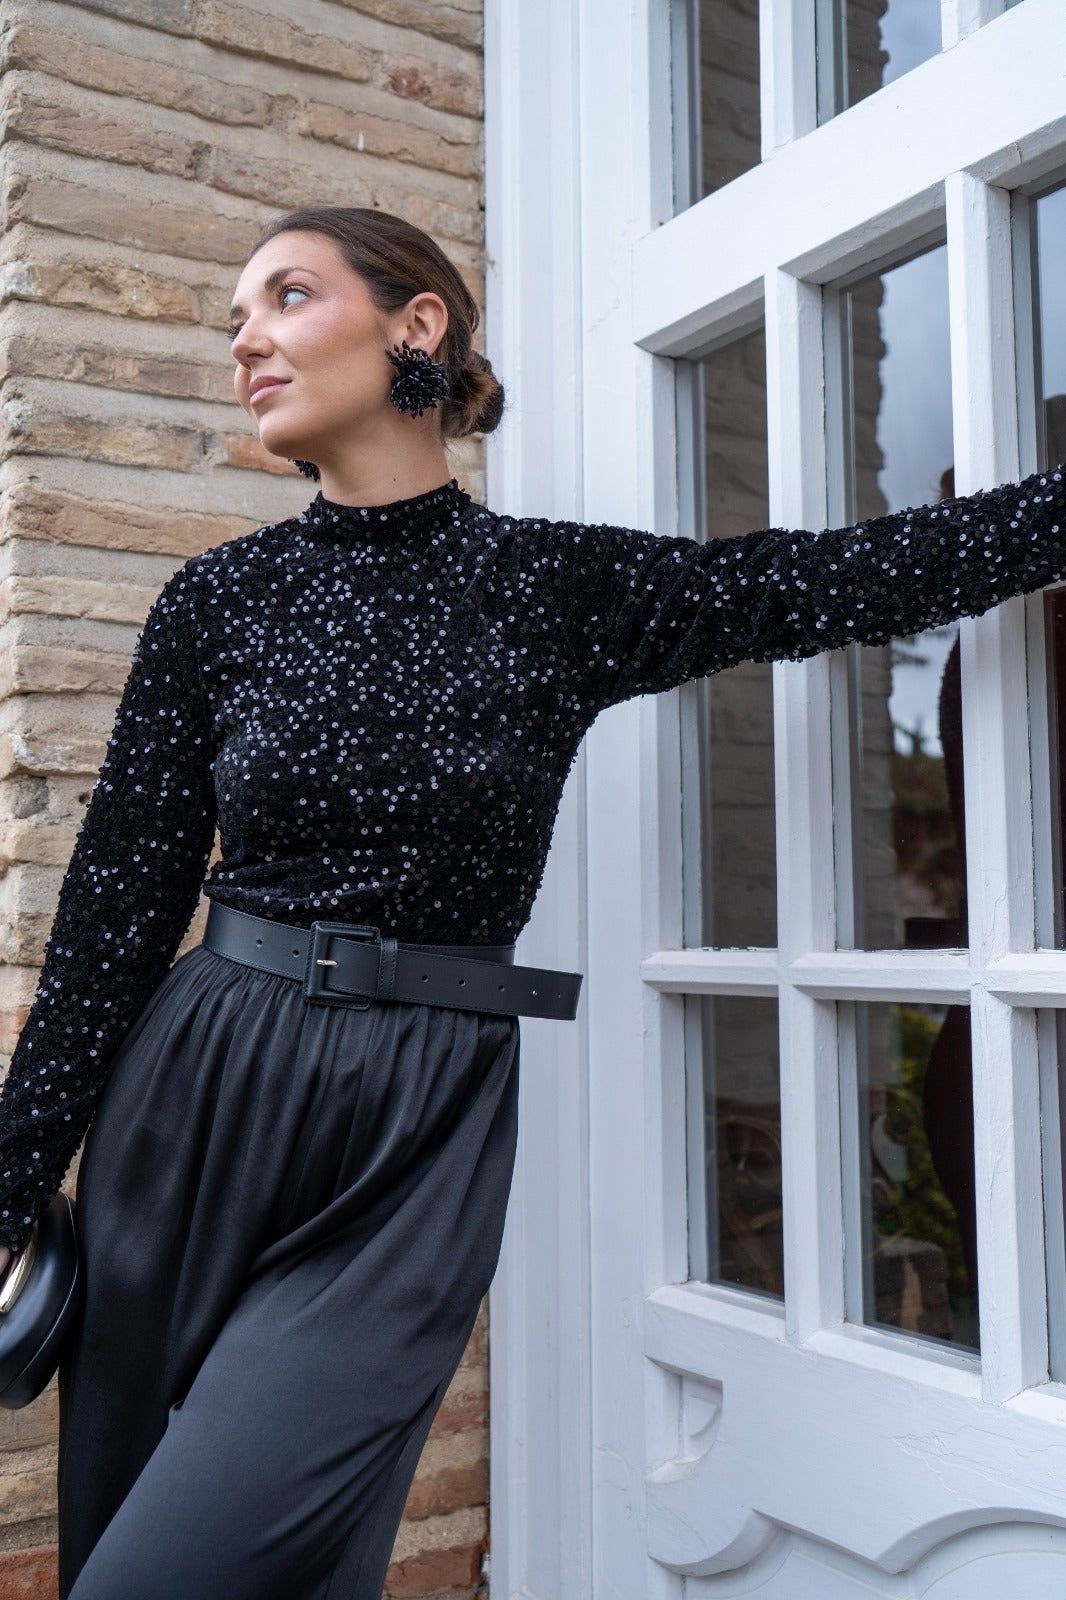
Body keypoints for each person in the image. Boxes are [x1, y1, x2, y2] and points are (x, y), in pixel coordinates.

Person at [0, 204, 1062, 1599]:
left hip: (416, 1121)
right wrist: (13, 1176)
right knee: (133, 1520)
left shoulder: (553, 588)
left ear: (416, 324)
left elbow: (826, 580)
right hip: (196, 1090)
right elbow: (115, 914)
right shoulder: (218, 604)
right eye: (234, 319)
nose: (245, 340)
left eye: (288, 296)